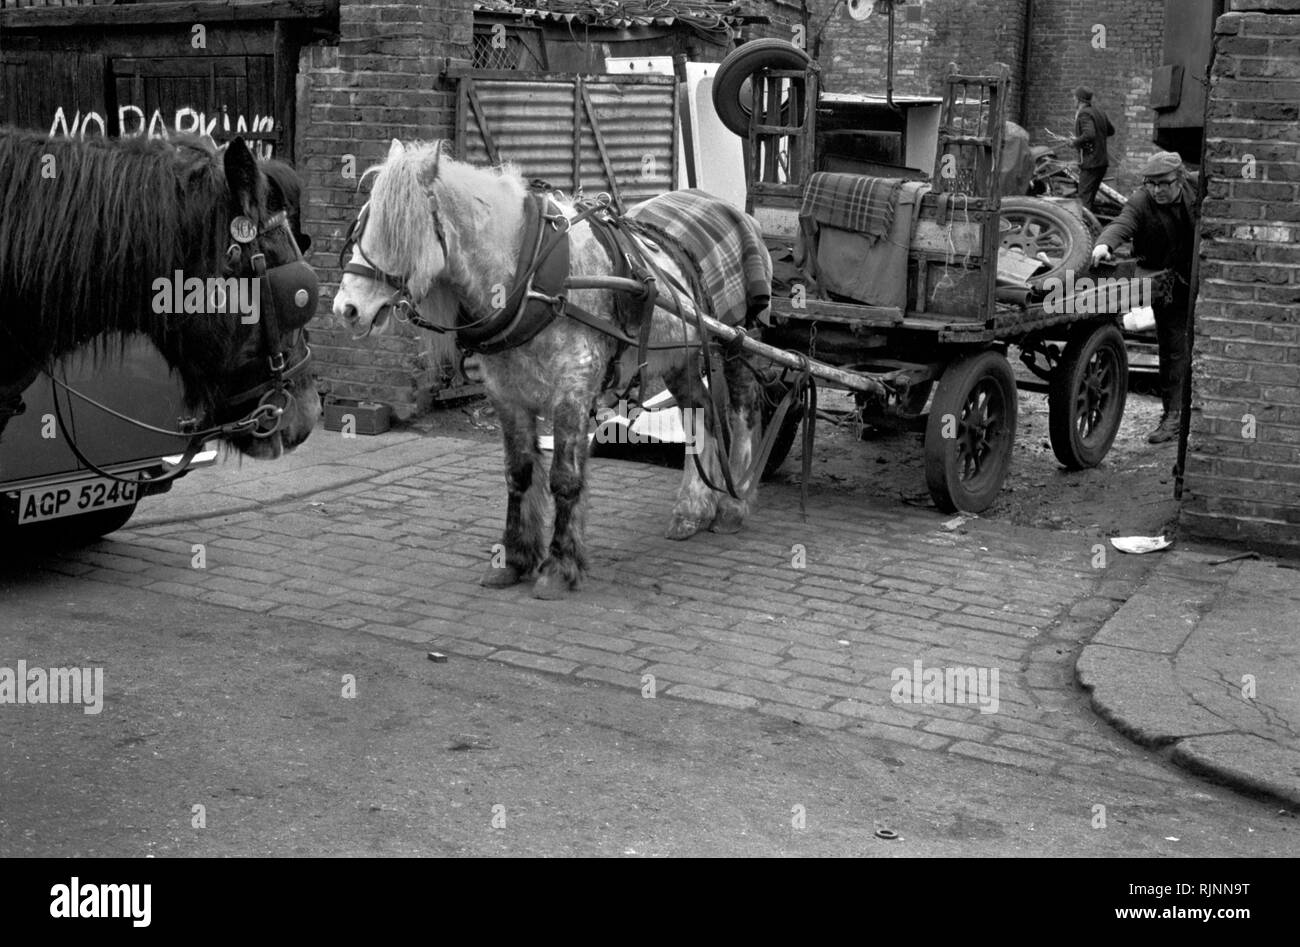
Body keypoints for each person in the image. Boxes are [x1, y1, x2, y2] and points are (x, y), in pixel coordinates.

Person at [1091, 150, 1200, 444]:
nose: (1156, 190)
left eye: (1163, 184)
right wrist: (1105, 245)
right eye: (1151, 184)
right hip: (1167, 279)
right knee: (1173, 346)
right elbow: (1122, 223)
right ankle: (1173, 417)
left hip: (1201, 275)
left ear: (1179, 178)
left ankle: (1203, 413)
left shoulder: (1198, 187)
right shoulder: (1142, 200)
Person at [1071, 87, 1114, 212]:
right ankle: (1091, 227)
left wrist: (1075, 142)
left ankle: (1082, 228)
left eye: (1074, 98)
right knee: (1090, 199)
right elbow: (1111, 131)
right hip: (1101, 163)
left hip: (1091, 163)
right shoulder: (1099, 111)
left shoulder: (1084, 113)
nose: (1073, 100)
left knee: (1083, 200)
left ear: (1079, 100)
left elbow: (1089, 134)